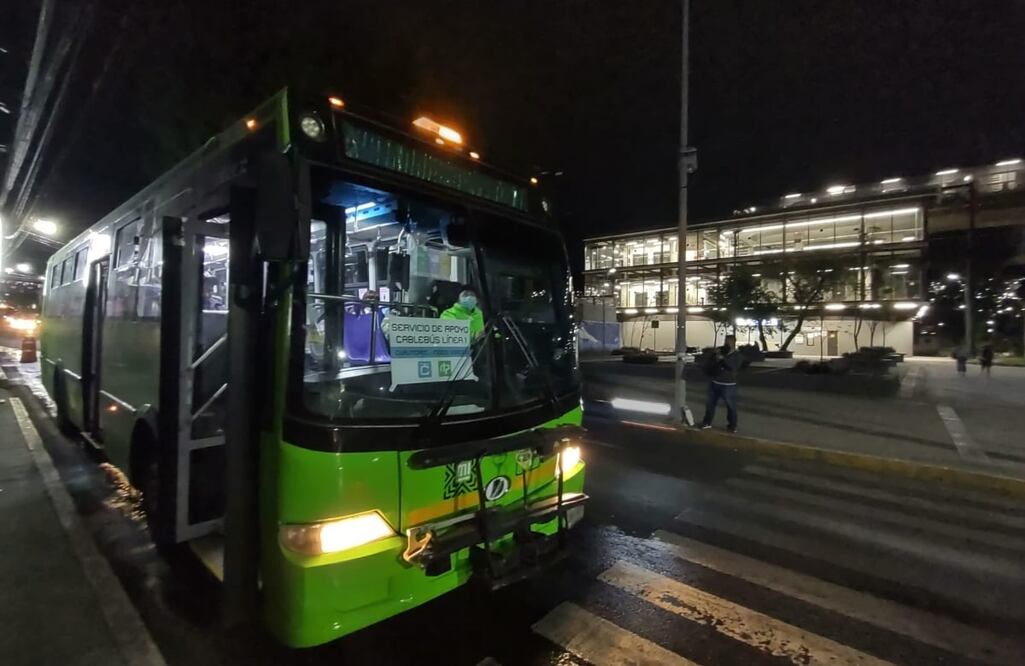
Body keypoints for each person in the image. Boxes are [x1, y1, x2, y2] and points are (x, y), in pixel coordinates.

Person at [700, 334, 743, 432]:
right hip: (715, 382)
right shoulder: (721, 352)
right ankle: (707, 422)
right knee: (710, 404)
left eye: (728, 341)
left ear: (733, 342)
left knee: (731, 406)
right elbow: (710, 364)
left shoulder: (737, 355)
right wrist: (714, 355)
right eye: (725, 341)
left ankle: (732, 425)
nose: (726, 343)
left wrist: (722, 359)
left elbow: (732, 367)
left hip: (729, 385)